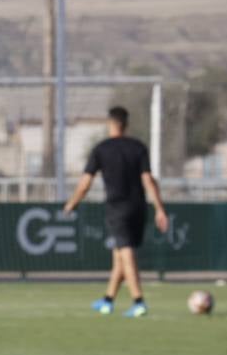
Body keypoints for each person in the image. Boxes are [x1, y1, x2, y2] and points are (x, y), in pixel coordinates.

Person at [64, 106, 169, 318]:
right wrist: (160, 209)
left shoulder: (101, 149)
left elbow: (85, 184)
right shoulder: (138, 147)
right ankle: (107, 300)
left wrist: (71, 203)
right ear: (126, 124)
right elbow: (148, 180)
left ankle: (138, 301)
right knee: (120, 256)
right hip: (139, 207)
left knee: (126, 253)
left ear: (110, 124)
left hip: (117, 208)